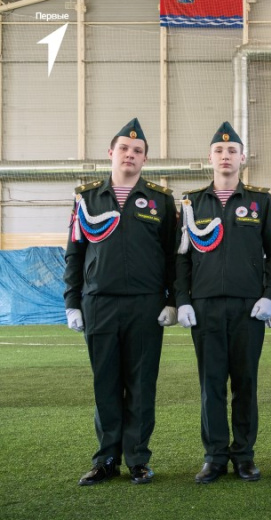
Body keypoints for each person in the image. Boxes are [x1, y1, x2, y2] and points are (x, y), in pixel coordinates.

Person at [64, 118, 177, 486]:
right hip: (99, 303)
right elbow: (75, 252)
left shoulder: (161, 200)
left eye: (138, 150)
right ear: (110, 153)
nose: (130, 154)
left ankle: (138, 459)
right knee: (105, 384)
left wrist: (173, 300)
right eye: (124, 149)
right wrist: (72, 302)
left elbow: (172, 256)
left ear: (145, 159)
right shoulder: (86, 198)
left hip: (146, 305)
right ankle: (106, 459)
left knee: (142, 385)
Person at [175, 122, 271, 484]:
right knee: (211, 385)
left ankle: (244, 456)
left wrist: (270, 296)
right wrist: (182, 300)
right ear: (209, 158)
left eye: (232, 151)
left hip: (248, 308)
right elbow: (181, 257)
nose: (226, 156)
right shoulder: (191, 202)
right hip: (204, 307)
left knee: (245, 383)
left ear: (242, 158)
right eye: (219, 151)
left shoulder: (260, 201)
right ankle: (215, 456)